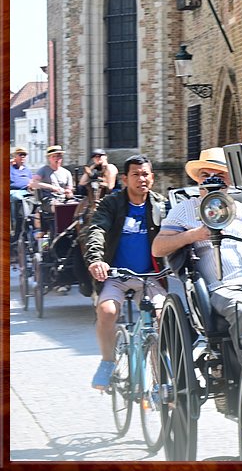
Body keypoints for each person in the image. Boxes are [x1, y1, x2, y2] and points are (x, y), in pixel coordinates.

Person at [151, 147, 242, 361]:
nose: (211, 181)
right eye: (205, 176)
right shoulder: (185, 209)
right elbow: (158, 247)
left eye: (219, 176)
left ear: (228, 181)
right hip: (221, 288)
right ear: (198, 181)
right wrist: (194, 235)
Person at [83, 154, 168, 391]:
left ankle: (160, 375)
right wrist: (96, 260)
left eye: (145, 174)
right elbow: (97, 229)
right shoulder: (112, 204)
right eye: (136, 174)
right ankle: (107, 362)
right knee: (107, 311)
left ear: (152, 177)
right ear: (124, 178)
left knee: (162, 318)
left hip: (150, 276)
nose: (141, 179)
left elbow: (175, 231)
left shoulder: (160, 204)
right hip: (117, 274)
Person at [30, 145, 74, 209]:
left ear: (61, 158)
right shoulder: (43, 170)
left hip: (63, 199)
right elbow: (33, 183)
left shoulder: (67, 172)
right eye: (54, 156)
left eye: (58, 156)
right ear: (49, 158)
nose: (56, 158)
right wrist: (51, 187)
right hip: (48, 200)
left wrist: (68, 193)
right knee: (58, 207)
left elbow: (69, 189)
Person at [10, 147, 32, 243]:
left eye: (24, 155)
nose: (22, 157)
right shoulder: (10, 168)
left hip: (26, 192)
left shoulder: (27, 170)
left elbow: (31, 182)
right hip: (13, 191)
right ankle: (15, 228)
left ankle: (29, 225)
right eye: (20, 154)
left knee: (35, 200)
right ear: (15, 156)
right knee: (17, 197)